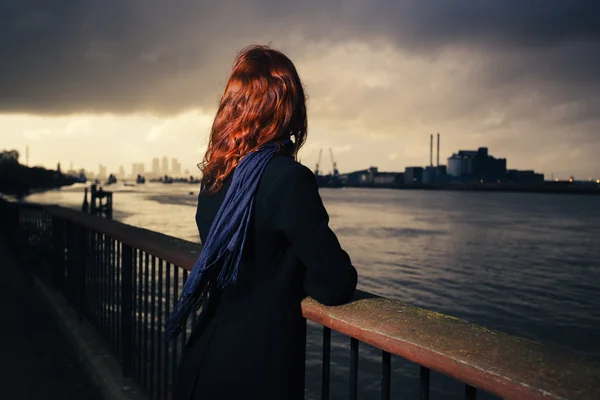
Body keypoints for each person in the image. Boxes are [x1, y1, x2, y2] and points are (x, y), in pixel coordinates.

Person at [168, 45, 358, 400]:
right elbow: (334, 283)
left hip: (204, 360)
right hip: (254, 372)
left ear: (233, 107)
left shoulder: (216, 178)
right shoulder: (288, 179)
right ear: (289, 109)